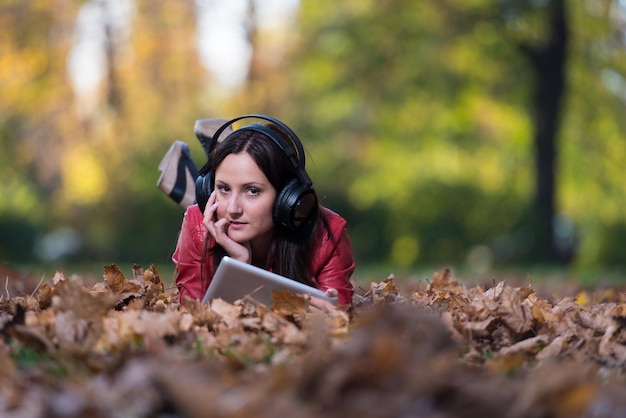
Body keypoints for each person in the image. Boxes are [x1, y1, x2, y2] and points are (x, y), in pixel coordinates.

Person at [172, 115, 355, 306]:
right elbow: (194, 317)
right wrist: (239, 268)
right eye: (224, 188)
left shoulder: (327, 235)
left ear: (286, 197)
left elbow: (337, 321)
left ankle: (195, 172)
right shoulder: (197, 224)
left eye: (252, 191)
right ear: (209, 189)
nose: (233, 209)